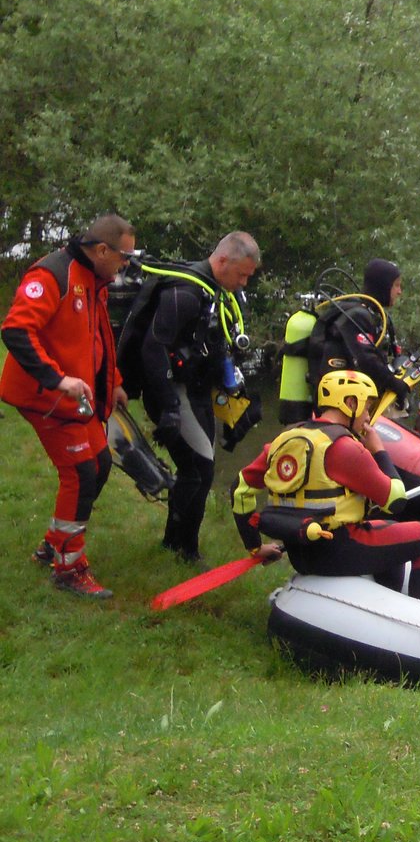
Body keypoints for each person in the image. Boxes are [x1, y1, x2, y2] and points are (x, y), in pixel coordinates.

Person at [2, 214, 136, 598]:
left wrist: (114, 384)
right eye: (124, 256)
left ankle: (53, 545)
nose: (127, 264)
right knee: (80, 473)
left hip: (76, 400)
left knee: (100, 465)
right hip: (45, 398)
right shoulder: (52, 275)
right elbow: (15, 330)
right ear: (102, 250)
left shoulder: (96, 280)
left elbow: (96, 337)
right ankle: (68, 569)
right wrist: (57, 380)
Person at [231, 369, 420, 601]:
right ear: (350, 403)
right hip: (337, 551)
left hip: (300, 551)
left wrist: (254, 547)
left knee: (388, 526)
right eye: (366, 407)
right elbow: (396, 500)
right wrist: (379, 451)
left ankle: (387, 602)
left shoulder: (283, 439)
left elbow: (240, 489)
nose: (367, 416)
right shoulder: (346, 448)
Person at [120, 231, 262, 564]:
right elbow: (152, 349)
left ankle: (176, 545)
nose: (243, 282)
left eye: (248, 277)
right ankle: (185, 550)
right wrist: (168, 408)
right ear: (223, 260)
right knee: (198, 470)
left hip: (196, 390)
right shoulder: (185, 292)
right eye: (241, 274)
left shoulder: (217, 293)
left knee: (198, 469)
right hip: (173, 392)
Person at [313, 258, 409, 410]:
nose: (399, 291)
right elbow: (366, 359)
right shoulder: (356, 316)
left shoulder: (375, 315)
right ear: (383, 286)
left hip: (353, 399)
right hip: (338, 402)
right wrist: (394, 384)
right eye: (396, 285)